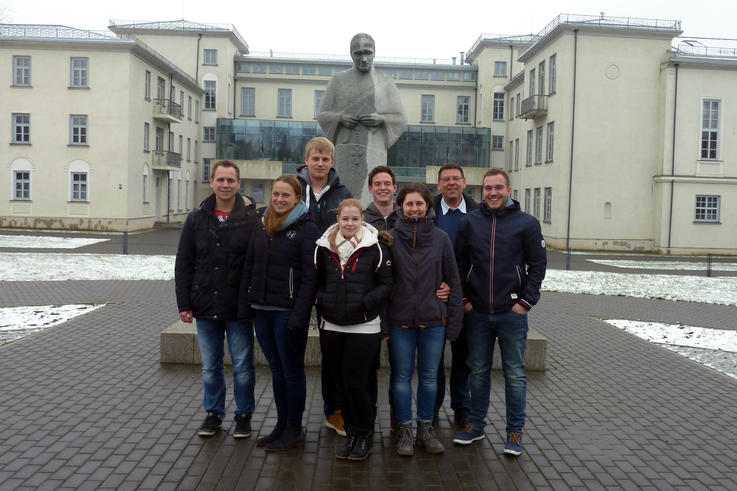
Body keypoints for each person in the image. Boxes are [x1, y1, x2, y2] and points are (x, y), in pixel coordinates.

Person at [452, 168, 547, 456]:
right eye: (488, 188)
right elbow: (458, 263)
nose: (493, 192)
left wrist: (525, 303)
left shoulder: (526, 224)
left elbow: (538, 266)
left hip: (511, 313)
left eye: (498, 187)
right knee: (478, 372)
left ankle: (514, 433)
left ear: (508, 190)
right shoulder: (470, 222)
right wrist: (466, 300)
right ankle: (477, 426)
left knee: (515, 375)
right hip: (478, 313)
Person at [175, 160, 258, 438]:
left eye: (230, 180)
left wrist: (252, 302)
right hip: (205, 303)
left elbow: (256, 262)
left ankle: (244, 415)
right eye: (220, 180)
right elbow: (184, 263)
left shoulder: (250, 218)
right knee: (211, 366)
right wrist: (184, 304)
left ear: (238, 183)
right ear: (211, 182)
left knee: (243, 366)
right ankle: (213, 414)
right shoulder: (196, 218)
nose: (225, 185)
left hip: (237, 306)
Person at [239, 175, 320, 451]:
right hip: (262, 311)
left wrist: (299, 316)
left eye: (286, 195)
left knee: (292, 373)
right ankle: (281, 424)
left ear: (298, 198)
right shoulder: (262, 224)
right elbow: (250, 265)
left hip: (287, 313)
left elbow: (311, 278)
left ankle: (294, 429)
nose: (279, 199)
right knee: (277, 372)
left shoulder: (307, 228)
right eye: (276, 194)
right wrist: (247, 303)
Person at [314, 199, 393, 461]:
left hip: (364, 326)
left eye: (354, 219)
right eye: (345, 219)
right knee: (341, 385)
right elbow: (317, 282)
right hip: (332, 325)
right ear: (338, 219)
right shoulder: (324, 247)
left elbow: (386, 284)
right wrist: (323, 300)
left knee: (357, 384)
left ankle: (365, 433)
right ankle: (351, 434)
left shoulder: (376, 247)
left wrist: (366, 302)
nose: (349, 224)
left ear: (362, 220)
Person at [388, 183, 463, 456]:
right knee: (401, 377)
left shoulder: (441, 238)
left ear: (428, 207)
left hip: (433, 321)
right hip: (400, 321)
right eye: (409, 203)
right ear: (401, 206)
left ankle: (426, 428)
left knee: (430, 377)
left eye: (419, 203)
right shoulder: (390, 238)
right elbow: (383, 283)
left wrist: (452, 322)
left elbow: (453, 281)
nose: (414, 208)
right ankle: (405, 430)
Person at [295, 136, 352, 437]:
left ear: (332, 162)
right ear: (306, 160)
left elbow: (352, 231)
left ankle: (334, 411)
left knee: (332, 352)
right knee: (293, 350)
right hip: (297, 280)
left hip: (331, 282)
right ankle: (292, 415)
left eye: (325, 159)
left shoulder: (343, 193)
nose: (319, 163)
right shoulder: (293, 189)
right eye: (314, 158)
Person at [317, 33, 407, 201]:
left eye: (368, 52)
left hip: (375, 148)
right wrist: (341, 118)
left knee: (372, 196)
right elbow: (322, 115)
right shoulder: (338, 80)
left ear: (374, 52)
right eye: (358, 53)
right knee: (343, 200)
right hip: (345, 150)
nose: (364, 58)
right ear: (351, 54)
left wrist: (381, 119)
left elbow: (401, 118)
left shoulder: (386, 81)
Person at [432, 163, 479, 427]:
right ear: (438, 184)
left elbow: (479, 258)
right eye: (446, 179)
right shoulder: (428, 211)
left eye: (456, 179)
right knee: (434, 359)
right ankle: (433, 408)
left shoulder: (477, 212)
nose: (451, 183)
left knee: (464, 358)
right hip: (434, 298)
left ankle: (462, 407)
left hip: (465, 299)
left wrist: (458, 287)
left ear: (464, 182)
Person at [363, 165, 399, 231]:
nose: (382, 188)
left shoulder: (405, 218)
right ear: (370, 189)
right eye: (377, 184)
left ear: (394, 188)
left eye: (387, 184)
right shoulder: (361, 221)